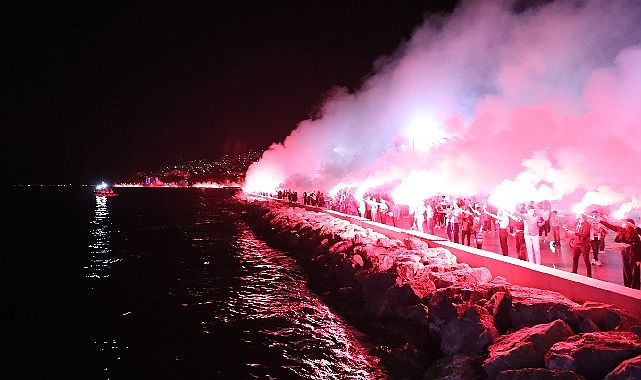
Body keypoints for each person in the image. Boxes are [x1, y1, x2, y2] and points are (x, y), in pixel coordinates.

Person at [599, 217, 641, 289]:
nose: (622, 224)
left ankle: (635, 287)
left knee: (635, 270)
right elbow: (610, 226)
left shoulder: (634, 233)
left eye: (624, 223)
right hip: (624, 251)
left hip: (633, 252)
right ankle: (627, 285)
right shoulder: (620, 230)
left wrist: (638, 259)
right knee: (626, 268)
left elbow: (638, 246)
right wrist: (600, 221)